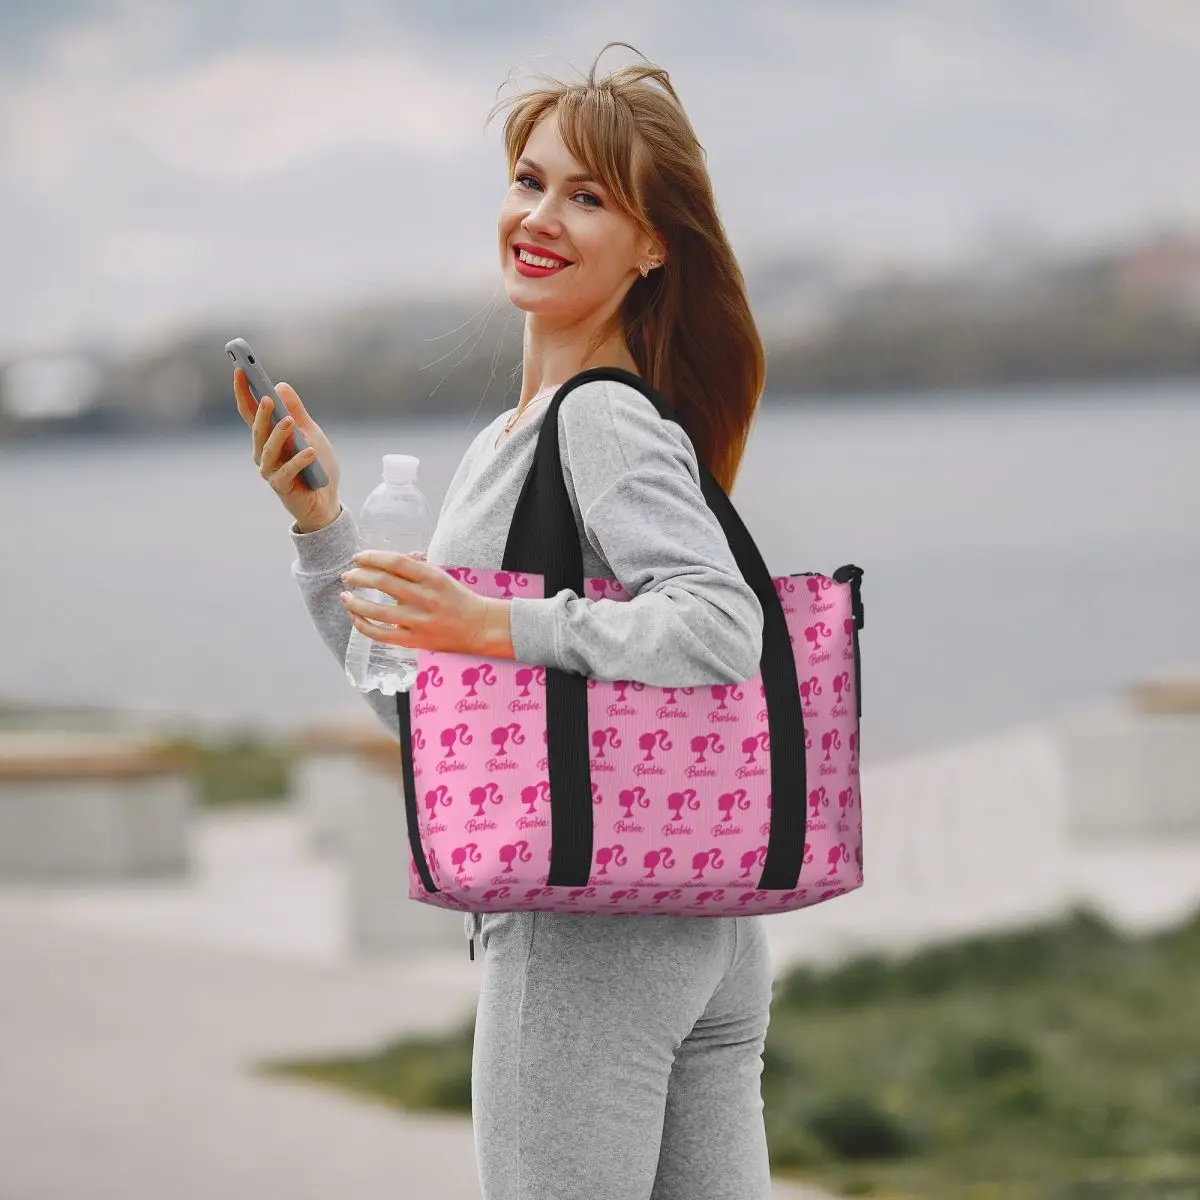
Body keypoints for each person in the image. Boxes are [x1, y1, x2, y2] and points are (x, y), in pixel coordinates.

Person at [234, 41, 774, 1200]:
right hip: (699, 922)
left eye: (589, 196)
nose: (541, 215)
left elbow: (722, 626)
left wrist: (501, 630)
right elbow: (419, 704)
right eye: (529, 180)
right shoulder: (518, 441)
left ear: (652, 245)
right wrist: (324, 528)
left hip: (586, 935)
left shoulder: (599, 423)